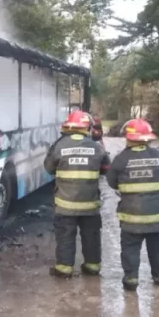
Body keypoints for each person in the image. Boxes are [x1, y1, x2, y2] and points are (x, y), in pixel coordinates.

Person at [106, 118, 159, 291]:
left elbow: (111, 182)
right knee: (158, 246)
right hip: (156, 216)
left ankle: (131, 279)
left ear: (128, 137)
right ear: (148, 138)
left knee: (130, 247)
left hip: (131, 217)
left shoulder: (121, 159)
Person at [44, 110, 110, 278]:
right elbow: (106, 170)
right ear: (87, 128)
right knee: (91, 236)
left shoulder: (59, 145)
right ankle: (92, 267)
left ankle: (64, 269)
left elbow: (49, 168)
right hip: (90, 205)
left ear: (67, 126)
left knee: (65, 236)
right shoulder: (97, 147)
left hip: (65, 205)